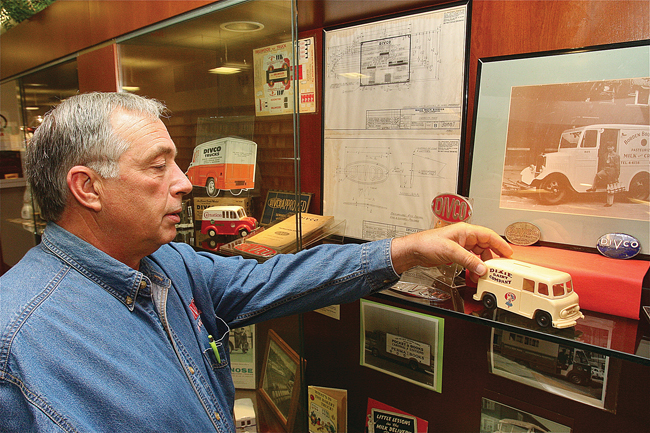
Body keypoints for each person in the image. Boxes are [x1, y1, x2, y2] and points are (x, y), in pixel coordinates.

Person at [0, 92, 512, 432]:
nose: (183, 180)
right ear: (87, 188)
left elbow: (274, 277)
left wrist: (405, 249)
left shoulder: (171, 265)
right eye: (158, 166)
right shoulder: (18, 337)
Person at [587, 142, 620, 207]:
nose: (609, 148)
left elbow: (617, 166)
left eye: (611, 147)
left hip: (612, 170)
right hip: (606, 169)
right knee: (597, 175)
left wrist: (617, 174)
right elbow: (603, 163)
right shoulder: (605, 155)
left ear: (613, 148)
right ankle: (593, 187)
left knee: (610, 186)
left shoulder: (616, 155)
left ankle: (609, 203)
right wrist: (603, 168)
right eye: (608, 147)